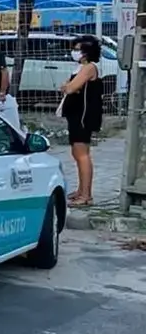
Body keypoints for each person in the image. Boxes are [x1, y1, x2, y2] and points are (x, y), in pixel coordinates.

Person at [61, 36, 103, 207]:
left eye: (78, 49)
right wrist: (68, 87)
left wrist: (69, 87)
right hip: (75, 114)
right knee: (76, 153)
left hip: (83, 116)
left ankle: (86, 195)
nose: (75, 52)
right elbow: (66, 87)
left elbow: (71, 87)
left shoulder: (89, 68)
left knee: (82, 154)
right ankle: (81, 190)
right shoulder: (79, 68)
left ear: (87, 52)